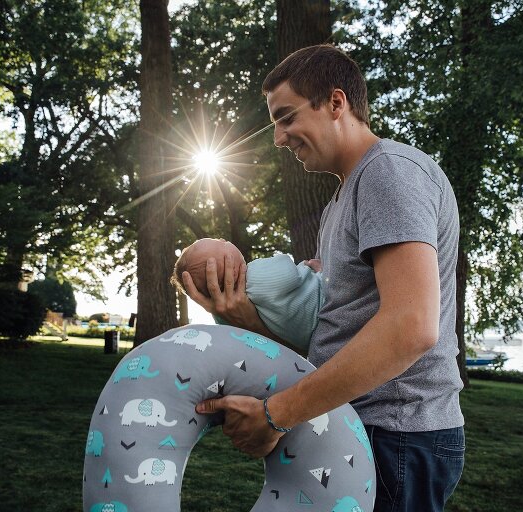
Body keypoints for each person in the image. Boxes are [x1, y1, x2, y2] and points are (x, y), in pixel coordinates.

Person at [182, 44, 464, 511]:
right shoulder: (344, 198)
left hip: (395, 436)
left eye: (286, 117)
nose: (278, 137)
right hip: (359, 425)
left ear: (336, 103)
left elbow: (411, 327)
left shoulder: (388, 172)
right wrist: (245, 316)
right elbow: (333, 333)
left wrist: (277, 414)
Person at [170, 237, 322, 351]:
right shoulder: (254, 274)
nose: (224, 239)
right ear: (232, 269)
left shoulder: (222, 315)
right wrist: (305, 266)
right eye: (220, 243)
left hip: (306, 341)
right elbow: (288, 270)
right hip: (321, 301)